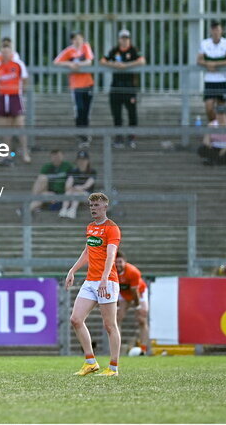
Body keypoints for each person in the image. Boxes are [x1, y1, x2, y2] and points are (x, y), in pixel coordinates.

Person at [66, 192, 122, 377]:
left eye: (96, 205)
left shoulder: (112, 228)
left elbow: (111, 254)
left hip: (107, 281)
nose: (93, 209)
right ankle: (91, 362)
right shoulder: (90, 227)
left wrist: (105, 277)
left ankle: (113, 367)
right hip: (90, 281)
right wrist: (72, 270)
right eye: (91, 206)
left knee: (109, 325)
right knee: (76, 319)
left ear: (105, 207)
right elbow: (87, 252)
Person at [100, 29, 146, 148]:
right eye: (122, 38)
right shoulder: (115, 50)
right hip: (116, 86)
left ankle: (131, 137)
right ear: (119, 39)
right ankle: (118, 137)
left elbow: (142, 61)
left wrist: (126, 66)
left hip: (129, 86)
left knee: (132, 113)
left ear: (129, 39)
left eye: (126, 38)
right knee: (116, 114)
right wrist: (114, 65)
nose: (124, 41)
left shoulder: (133, 50)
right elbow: (102, 60)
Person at [0, 45, 31, 165]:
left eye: (7, 52)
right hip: (3, 97)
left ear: (11, 53)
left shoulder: (18, 64)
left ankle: (25, 152)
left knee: (20, 124)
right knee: (5, 127)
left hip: (15, 96)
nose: (5, 55)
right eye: (3, 53)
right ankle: (6, 153)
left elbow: (24, 79)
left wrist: (21, 91)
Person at [53, 31, 95, 141]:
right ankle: (80, 133)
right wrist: (69, 64)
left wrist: (78, 65)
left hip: (88, 83)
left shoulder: (86, 47)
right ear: (72, 40)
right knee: (79, 109)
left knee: (86, 109)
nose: (78, 41)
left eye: (80, 38)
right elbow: (56, 61)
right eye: (76, 39)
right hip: (76, 85)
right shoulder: (69, 51)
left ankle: (85, 132)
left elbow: (89, 61)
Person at [197, 21, 226, 122]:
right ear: (210, 31)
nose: (216, 32)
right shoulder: (205, 43)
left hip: (222, 79)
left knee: (221, 108)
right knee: (209, 107)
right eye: (214, 30)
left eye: (217, 29)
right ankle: (214, 128)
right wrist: (207, 64)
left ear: (221, 30)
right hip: (210, 80)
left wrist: (215, 65)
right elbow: (199, 60)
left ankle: (222, 130)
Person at [114, 251, 149, 355]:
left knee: (142, 319)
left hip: (140, 293)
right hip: (124, 295)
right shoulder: (111, 271)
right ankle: (117, 349)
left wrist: (138, 306)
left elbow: (135, 291)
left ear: (125, 262)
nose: (118, 265)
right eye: (116, 262)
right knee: (116, 319)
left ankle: (143, 349)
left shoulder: (133, 272)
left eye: (120, 262)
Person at [29, 150, 73, 215]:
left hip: (63, 193)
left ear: (62, 156)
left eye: (58, 156)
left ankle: (27, 209)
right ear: (51, 157)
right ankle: (32, 204)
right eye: (54, 157)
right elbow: (40, 180)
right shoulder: (47, 167)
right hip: (50, 193)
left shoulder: (68, 166)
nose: (56, 159)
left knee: (70, 179)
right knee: (42, 178)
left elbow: (74, 178)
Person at [60, 150, 97, 220]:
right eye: (80, 160)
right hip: (73, 193)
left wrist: (77, 188)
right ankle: (64, 209)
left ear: (88, 161)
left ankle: (73, 209)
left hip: (87, 195)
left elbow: (87, 185)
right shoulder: (73, 171)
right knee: (68, 192)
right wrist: (71, 188)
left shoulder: (92, 171)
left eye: (84, 160)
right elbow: (68, 184)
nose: (82, 162)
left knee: (77, 193)